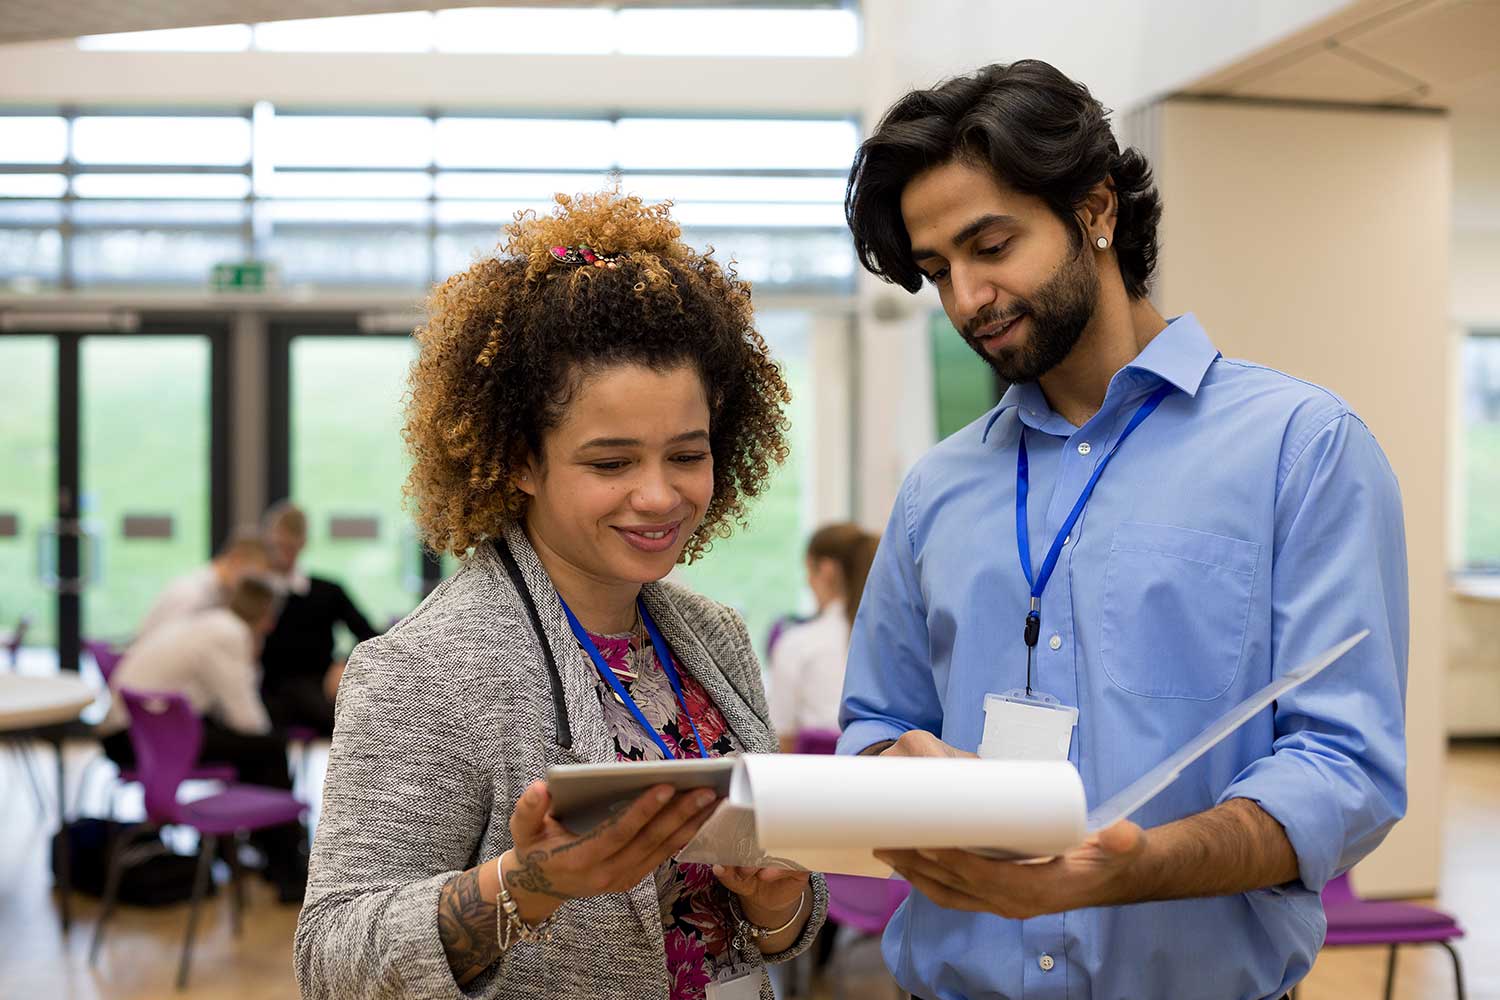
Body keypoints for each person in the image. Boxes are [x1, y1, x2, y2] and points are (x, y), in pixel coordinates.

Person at [837, 60, 1408, 1000]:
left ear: (1096, 208)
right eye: (939, 271)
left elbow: (1344, 769)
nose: (967, 299)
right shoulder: (935, 488)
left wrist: (1135, 866)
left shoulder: (1303, 450)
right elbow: (874, 726)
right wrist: (893, 763)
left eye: (991, 246)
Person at [295, 190, 827, 1000]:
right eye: (611, 464)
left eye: (687, 455)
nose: (659, 496)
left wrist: (778, 899)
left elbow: (766, 932)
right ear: (520, 461)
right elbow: (333, 959)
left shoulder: (713, 638)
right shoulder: (424, 670)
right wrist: (526, 887)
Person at [102, 577, 309, 902]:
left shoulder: (209, 623)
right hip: (144, 740)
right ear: (268, 618)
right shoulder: (230, 635)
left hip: (133, 733)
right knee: (268, 748)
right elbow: (247, 719)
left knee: (253, 747)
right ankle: (288, 869)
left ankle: (260, 853)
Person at [258, 500, 379, 736]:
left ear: (302, 544)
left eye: (289, 546)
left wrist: (343, 664)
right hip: (268, 689)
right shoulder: (256, 594)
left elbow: (369, 635)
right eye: (278, 546)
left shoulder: (327, 591)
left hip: (316, 686)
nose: (283, 554)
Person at [768, 523, 878, 752]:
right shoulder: (891, 641)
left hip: (814, 781)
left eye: (808, 571)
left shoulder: (797, 643)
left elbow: (781, 740)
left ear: (826, 570)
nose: (807, 582)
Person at [132, 527, 270, 641]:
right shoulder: (192, 593)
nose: (251, 588)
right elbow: (168, 648)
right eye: (253, 576)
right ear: (237, 559)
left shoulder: (221, 594)